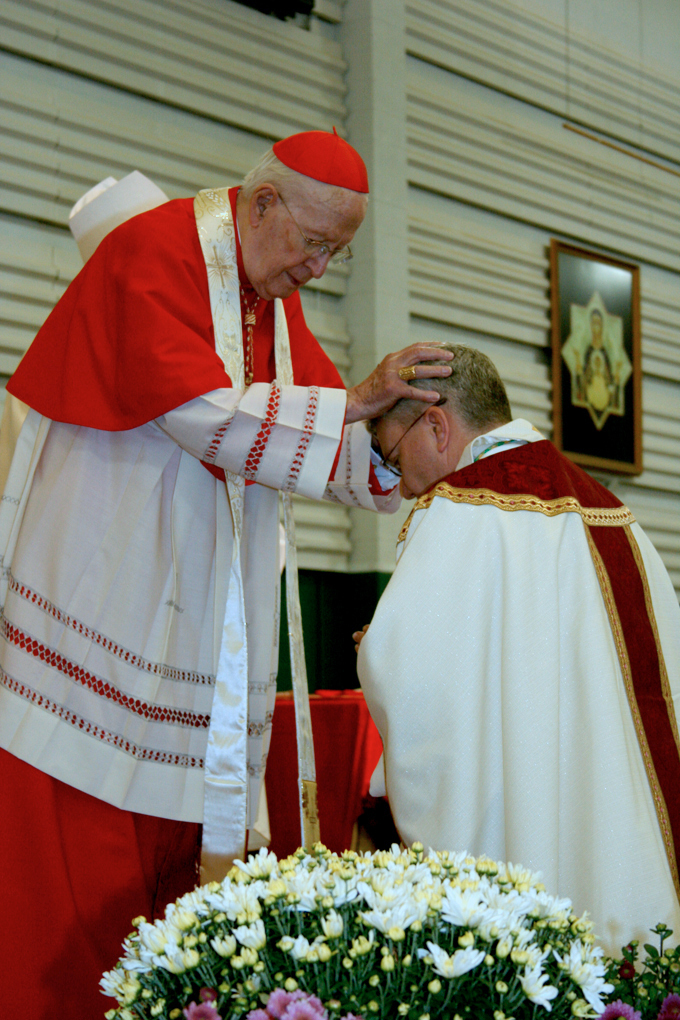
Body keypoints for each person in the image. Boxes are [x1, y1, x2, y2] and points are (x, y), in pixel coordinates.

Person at [0, 130, 453, 1018]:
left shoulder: (263, 295)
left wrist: (401, 458)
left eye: (339, 251)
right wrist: (356, 405)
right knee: (73, 882)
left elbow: (315, 441)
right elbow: (207, 419)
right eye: (315, 243)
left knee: (170, 876)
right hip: (106, 605)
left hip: (191, 629)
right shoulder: (154, 251)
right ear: (261, 203)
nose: (320, 268)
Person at [356, 343, 680, 956]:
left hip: (518, 818)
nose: (400, 488)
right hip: (615, 819)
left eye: (395, 459)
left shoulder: (454, 511)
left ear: (436, 425)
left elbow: (415, 680)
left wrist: (375, 647)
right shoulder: (616, 515)